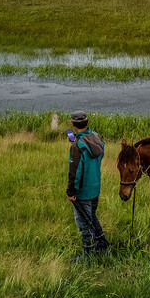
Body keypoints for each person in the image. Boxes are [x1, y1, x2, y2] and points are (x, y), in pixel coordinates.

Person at [65, 110, 108, 260]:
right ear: (87, 123)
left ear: (73, 125)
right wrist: (75, 141)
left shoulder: (78, 147)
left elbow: (75, 173)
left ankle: (89, 253)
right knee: (92, 217)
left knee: (84, 223)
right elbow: (98, 154)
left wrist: (70, 192)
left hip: (82, 192)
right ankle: (102, 243)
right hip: (95, 187)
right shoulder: (96, 138)